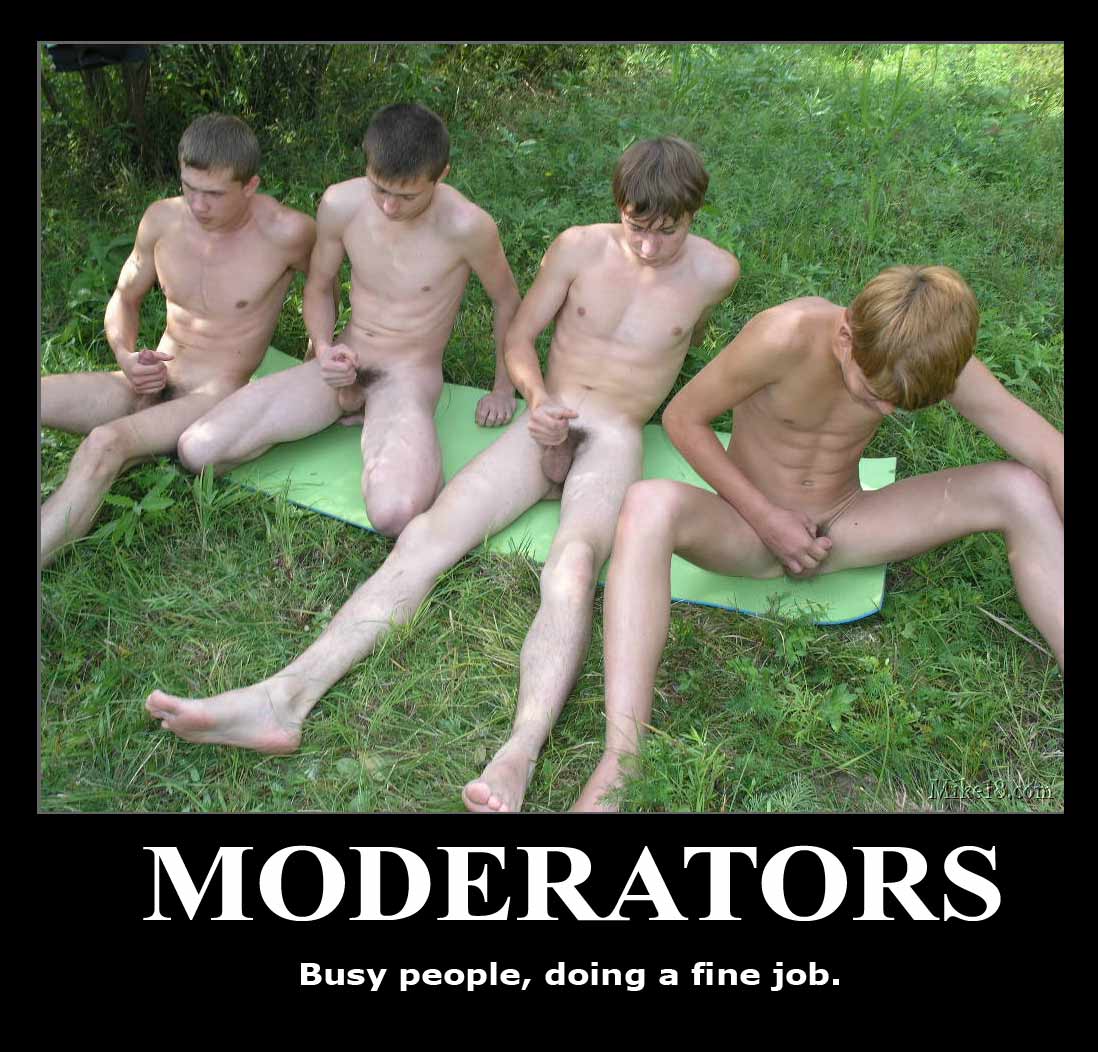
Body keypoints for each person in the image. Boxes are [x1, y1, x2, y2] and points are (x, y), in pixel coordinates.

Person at [146, 137, 741, 812]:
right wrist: (537, 401)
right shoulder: (578, 248)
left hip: (615, 435)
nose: (651, 247)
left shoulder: (717, 272)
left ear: (694, 215)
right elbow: (520, 336)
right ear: (618, 207)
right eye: (638, 226)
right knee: (426, 536)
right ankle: (283, 699)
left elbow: (699, 346)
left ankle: (518, 755)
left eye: (670, 231)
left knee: (573, 567)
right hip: (547, 415)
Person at [571, 265, 1064, 811]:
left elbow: (1051, 453)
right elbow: (684, 419)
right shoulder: (783, 336)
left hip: (843, 521)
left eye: (899, 404)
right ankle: (623, 756)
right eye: (875, 395)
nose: (887, 410)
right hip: (747, 529)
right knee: (647, 504)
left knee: (1021, 488)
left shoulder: (925, 351)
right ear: (847, 336)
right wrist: (765, 518)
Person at [175, 103, 522, 537]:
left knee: (395, 513)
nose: (390, 207)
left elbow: (507, 301)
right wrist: (324, 349)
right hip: (347, 357)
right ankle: (350, 409)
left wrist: (503, 387)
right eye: (380, 189)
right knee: (196, 449)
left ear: (441, 175)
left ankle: (395, 439)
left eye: (407, 196)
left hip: (408, 373)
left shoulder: (467, 226)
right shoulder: (341, 204)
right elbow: (320, 287)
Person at [41, 114, 320, 567]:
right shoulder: (162, 219)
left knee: (104, 444)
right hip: (151, 374)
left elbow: (323, 290)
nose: (198, 204)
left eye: (214, 193)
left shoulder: (288, 232)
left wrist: (316, 352)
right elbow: (124, 297)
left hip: (213, 394)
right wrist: (125, 355)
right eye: (189, 187)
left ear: (250, 185)